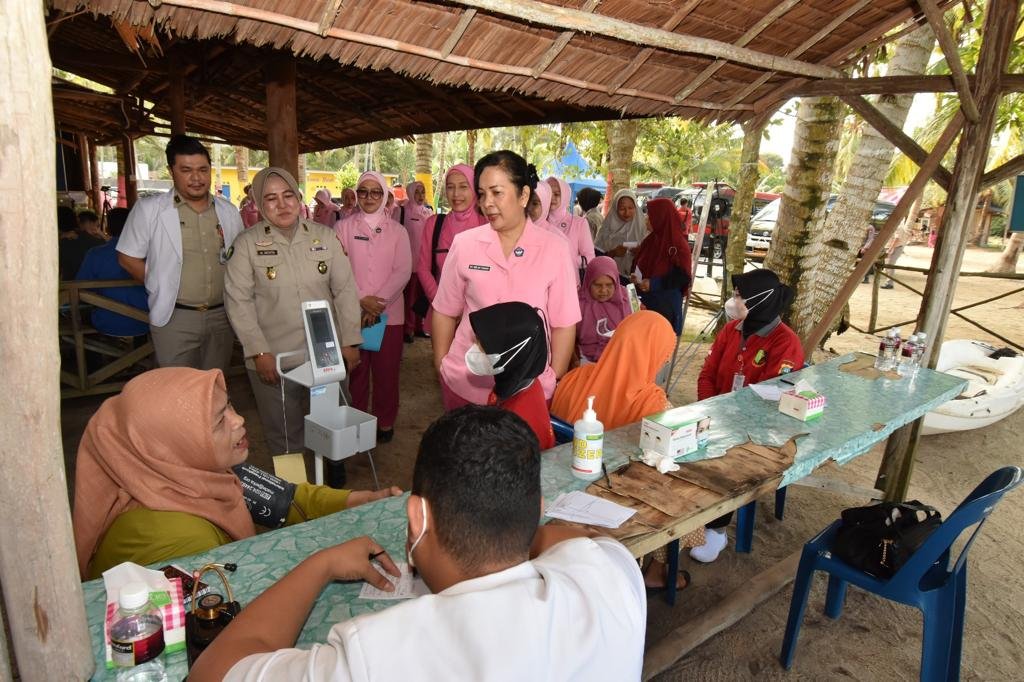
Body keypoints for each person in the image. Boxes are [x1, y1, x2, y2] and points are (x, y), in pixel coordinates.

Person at [189, 406, 646, 682]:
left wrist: (320, 565)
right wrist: (526, 528)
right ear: (536, 505)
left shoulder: (376, 656)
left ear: (417, 517)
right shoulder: (610, 577)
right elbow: (572, 540)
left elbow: (213, 673)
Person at [72, 367, 401, 580]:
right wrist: (323, 567)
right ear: (170, 448)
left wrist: (365, 499)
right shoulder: (181, 543)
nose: (239, 420)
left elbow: (287, 500)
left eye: (229, 405)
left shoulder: (196, 474)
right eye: (218, 421)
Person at [224, 167, 363, 463]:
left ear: (298, 197)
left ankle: (333, 482)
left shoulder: (325, 236)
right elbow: (238, 301)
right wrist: (258, 351)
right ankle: (297, 495)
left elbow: (346, 291)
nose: (282, 204)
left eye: (288, 195)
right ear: (259, 205)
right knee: (284, 433)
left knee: (333, 423)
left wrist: (350, 341)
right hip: (274, 356)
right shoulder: (246, 244)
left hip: (325, 353)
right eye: (271, 198)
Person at [432, 151, 581, 411]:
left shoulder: (555, 248)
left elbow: (564, 322)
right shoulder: (465, 244)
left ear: (523, 195)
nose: (486, 203)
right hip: (466, 384)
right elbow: (445, 310)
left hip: (528, 388)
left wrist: (552, 375)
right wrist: (442, 364)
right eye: (482, 193)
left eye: (496, 192)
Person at [692, 268, 804, 563]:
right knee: (687, 457)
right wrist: (710, 409)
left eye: (739, 296)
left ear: (760, 300)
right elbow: (708, 374)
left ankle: (715, 530)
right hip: (717, 415)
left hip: (760, 429)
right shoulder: (731, 330)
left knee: (723, 465)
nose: (733, 300)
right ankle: (696, 523)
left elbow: (769, 398)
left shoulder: (785, 343)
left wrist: (729, 424)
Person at [116, 134, 244, 370]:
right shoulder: (149, 210)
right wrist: (158, 282)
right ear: (171, 170)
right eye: (186, 170)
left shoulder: (228, 211)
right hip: (176, 316)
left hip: (221, 315)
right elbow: (127, 257)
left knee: (214, 387)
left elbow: (238, 257)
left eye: (203, 169)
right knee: (176, 390)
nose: (196, 178)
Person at [335, 171, 412, 443]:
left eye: (375, 192)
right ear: (356, 195)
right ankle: (356, 422)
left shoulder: (399, 231)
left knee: (387, 372)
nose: (369, 197)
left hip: (389, 315)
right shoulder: (342, 227)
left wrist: (376, 305)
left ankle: (385, 421)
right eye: (363, 192)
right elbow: (338, 269)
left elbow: (403, 271)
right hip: (352, 312)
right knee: (355, 372)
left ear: (385, 195)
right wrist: (360, 299)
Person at [552, 310, 674, 430]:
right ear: (655, 354)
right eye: (665, 355)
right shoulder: (653, 403)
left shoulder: (574, 377)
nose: (666, 361)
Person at [468, 302, 555, 450]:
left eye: (482, 344)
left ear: (513, 350)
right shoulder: (514, 384)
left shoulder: (519, 425)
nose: (474, 347)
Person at [415, 164, 484, 335]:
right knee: (442, 361)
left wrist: (466, 308)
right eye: (450, 187)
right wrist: (444, 305)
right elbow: (423, 268)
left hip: (478, 315)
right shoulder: (434, 224)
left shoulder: (487, 224)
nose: (456, 194)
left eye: (463, 186)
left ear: (474, 189)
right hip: (441, 313)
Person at [75, 207, 149, 339]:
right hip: (147, 322)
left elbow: (81, 289)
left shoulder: (95, 254)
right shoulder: (151, 253)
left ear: (108, 229)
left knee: (79, 315)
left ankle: (92, 357)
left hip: (106, 322)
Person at [631, 197, 693, 335]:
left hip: (664, 306)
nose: (647, 218)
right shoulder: (652, 239)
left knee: (658, 352)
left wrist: (654, 283)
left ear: (661, 217)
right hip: (646, 303)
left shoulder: (678, 245)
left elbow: (683, 276)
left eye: (650, 214)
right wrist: (637, 278)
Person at [577, 256, 633, 364]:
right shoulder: (578, 303)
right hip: (586, 361)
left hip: (622, 360)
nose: (603, 290)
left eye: (609, 285)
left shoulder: (627, 299)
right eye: (597, 285)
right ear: (588, 282)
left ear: (616, 283)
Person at [401, 180, 433, 342]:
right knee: (409, 298)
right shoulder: (403, 211)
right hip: (410, 263)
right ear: (410, 193)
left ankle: (420, 326)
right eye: (417, 192)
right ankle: (408, 329)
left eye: (423, 192)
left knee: (423, 296)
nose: (420, 196)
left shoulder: (428, 213)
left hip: (425, 264)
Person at [546, 176, 596, 275]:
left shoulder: (579, 223)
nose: (552, 198)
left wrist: (568, 260)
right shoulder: (537, 221)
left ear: (565, 196)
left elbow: (590, 258)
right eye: (548, 193)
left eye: (557, 194)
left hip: (569, 280)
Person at [595, 189, 645, 277]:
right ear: (615, 208)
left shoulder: (643, 228)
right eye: (622, 209)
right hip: (609, 278)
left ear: (636, 207)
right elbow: (597, 258)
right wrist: (613, 253)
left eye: (631, 208)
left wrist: (640, 252)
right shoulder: (606, 229)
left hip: (636, 280)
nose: (627, 212)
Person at [58, 206, 106, 280]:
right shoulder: (101, 243)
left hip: (68, 288)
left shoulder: (61, 243)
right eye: (97, 226)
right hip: (95, 288)